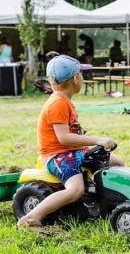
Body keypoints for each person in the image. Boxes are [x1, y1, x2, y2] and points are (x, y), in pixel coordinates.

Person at [16, 54, 124, 230]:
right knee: (75, 189)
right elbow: (64, 138)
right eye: (82, 74)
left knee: (117, 162)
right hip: (57, 156)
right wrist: (97, 139)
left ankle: (103, 202)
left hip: (73, 152)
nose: (82, 77)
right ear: (75, 79)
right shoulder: (57, 104)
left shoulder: (64, 101)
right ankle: (30, 218)